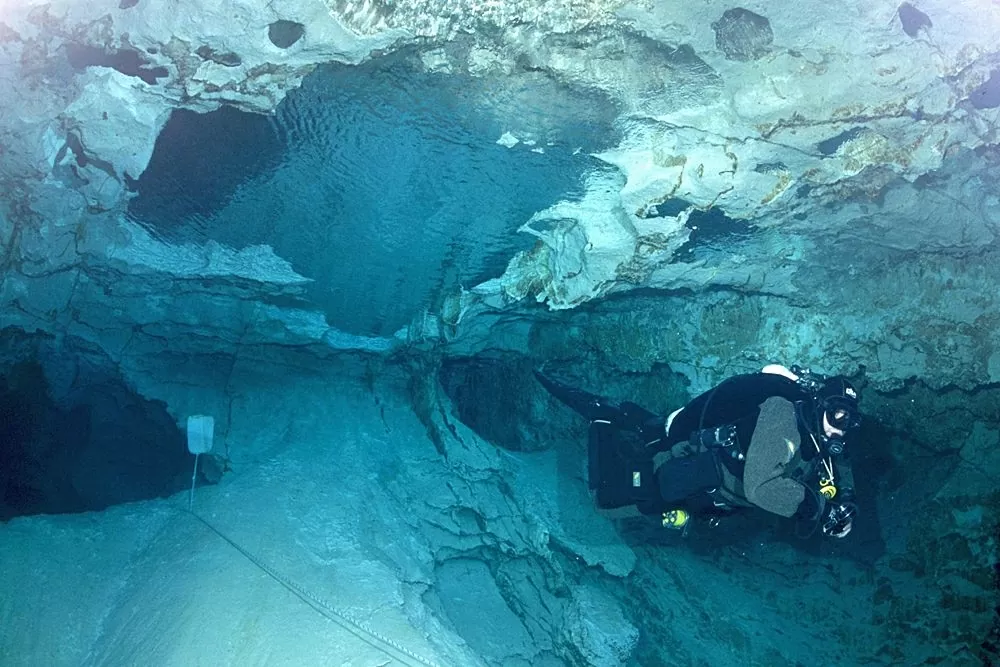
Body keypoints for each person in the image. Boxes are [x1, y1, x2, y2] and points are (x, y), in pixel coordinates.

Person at [535, 364, 861, 538]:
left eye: (850, 420)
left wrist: (844, 501)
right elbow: (761, 487)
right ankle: (603, 420)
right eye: (837, 414)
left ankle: (636, 419)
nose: (840, 428)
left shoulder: (819, 437)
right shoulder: (783, 416)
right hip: (695, 471)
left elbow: (836, 465)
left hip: (713, 492)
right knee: (606, 502)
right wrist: (817, 507)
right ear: (820, 405)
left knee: (654, 437)